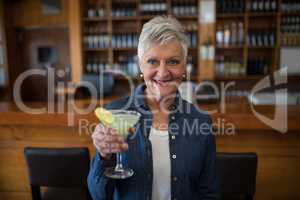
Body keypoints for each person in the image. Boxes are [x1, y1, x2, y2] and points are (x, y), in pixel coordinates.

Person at [88, 16, 220, 200]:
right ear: (140, 65)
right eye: (152, 61)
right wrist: (103, 156)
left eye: (173, 61)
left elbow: (209, 193)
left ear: (184, 67)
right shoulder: (114, 113)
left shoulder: (201, 121)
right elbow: (99, 195)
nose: (163, 72)